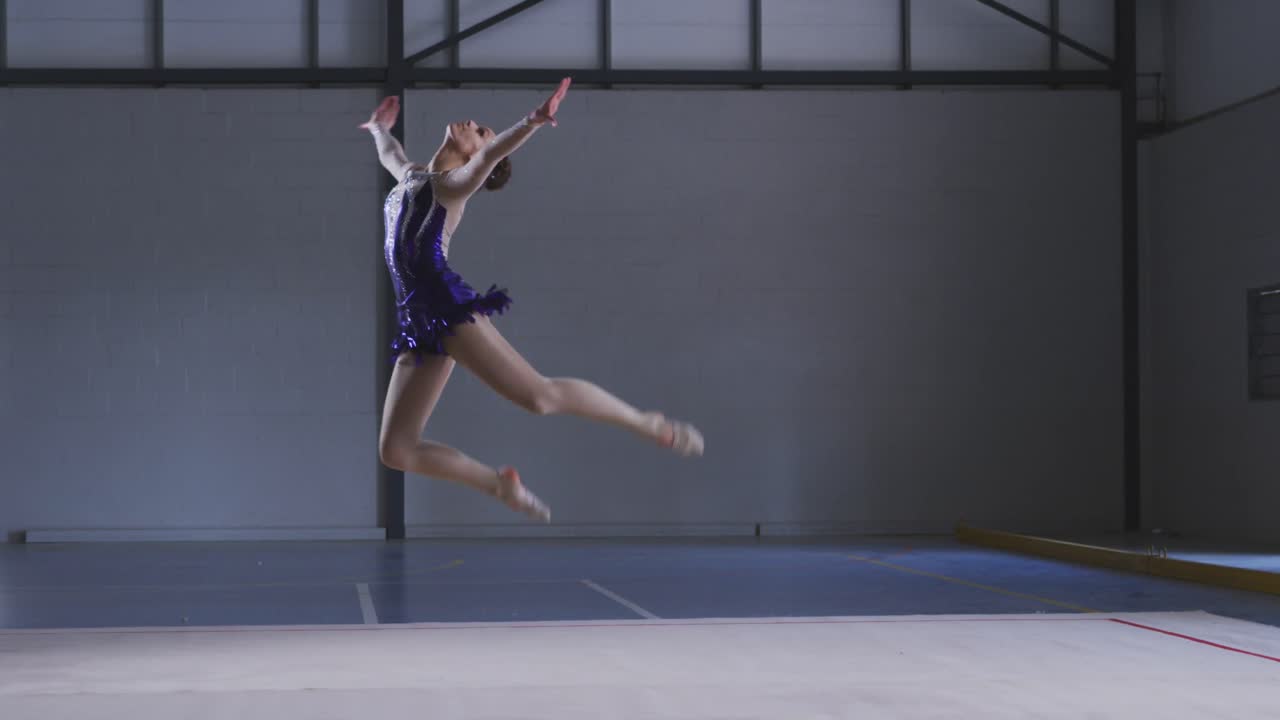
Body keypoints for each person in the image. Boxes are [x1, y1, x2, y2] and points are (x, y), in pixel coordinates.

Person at [362, 78, 703, 523]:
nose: (476, 127)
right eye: (481, 128)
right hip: (415, 322)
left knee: (539, 396)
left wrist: (532, 122)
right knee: (397, 449)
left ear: (469, 155)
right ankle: (498, 485)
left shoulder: (452, 186)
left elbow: (490, 157)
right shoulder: (412, 176)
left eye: (481, 130)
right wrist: (377, 129)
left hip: (446, 309)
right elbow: (391, 154)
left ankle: (648, 423)